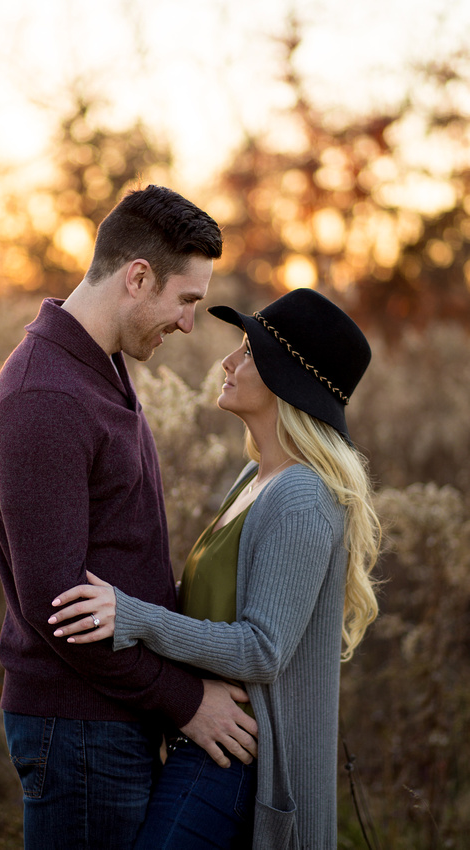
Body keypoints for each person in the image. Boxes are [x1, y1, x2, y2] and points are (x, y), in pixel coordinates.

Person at [0, 184, 259, 850]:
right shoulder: (44, 399)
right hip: (78, 732)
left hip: (108, 720)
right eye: (185, 300)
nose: (189, 324)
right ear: (137, 277)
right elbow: (58, 607)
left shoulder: (96, 366)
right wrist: (185, 702)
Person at [48, 287, 381, 850]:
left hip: (240, 760)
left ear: (288, 379)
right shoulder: (253, 481)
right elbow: (207, 603)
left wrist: (135, 617)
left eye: (249, 351)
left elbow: (261, 650)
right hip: (202, 740)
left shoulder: (301, 496)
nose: (227, 362)